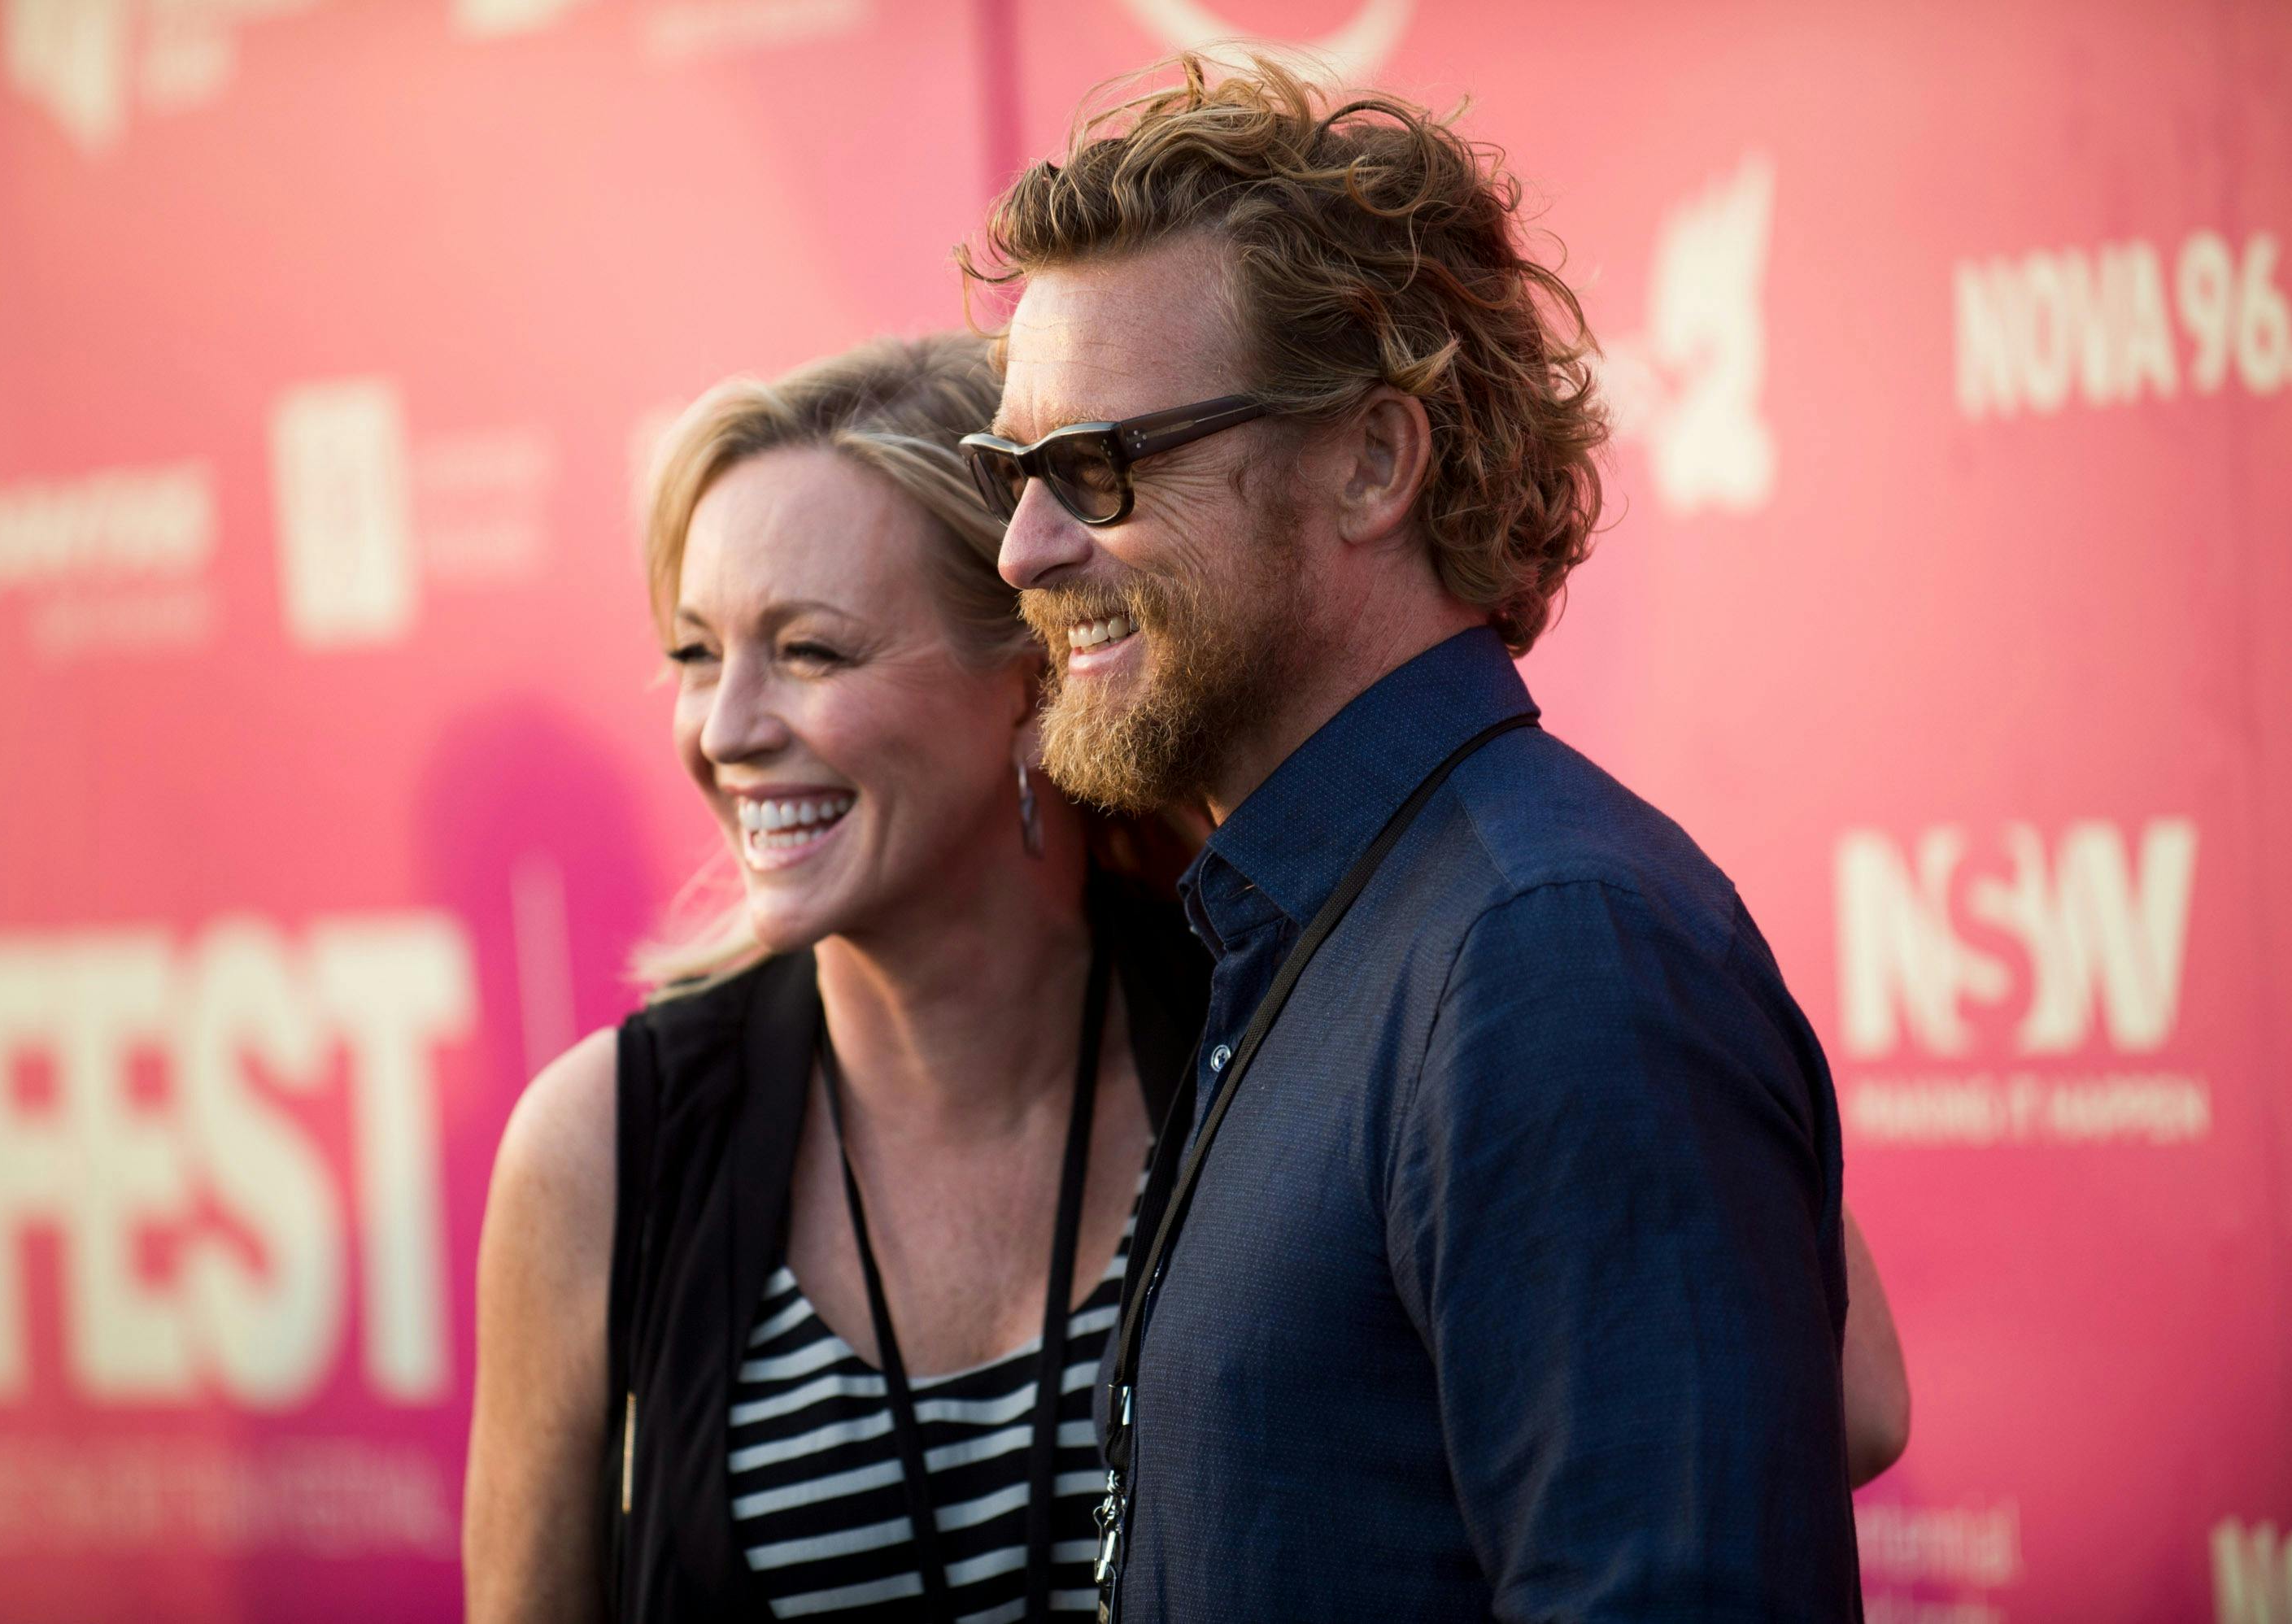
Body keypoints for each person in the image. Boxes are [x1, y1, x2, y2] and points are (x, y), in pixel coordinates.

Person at [463, 333, 1905, 1623]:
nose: (725, 727)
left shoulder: (1297, 987)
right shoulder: (605, 1148)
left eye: (808, 651)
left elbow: (1832, 1400)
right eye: (694, 653)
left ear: (1036, 672)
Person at [962, 54, 1876, 1621]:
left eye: (1096, 467)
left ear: (1374, 462)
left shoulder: (1547, 950)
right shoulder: (1315, 915)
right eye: (1014, 472)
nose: (1023, 545)